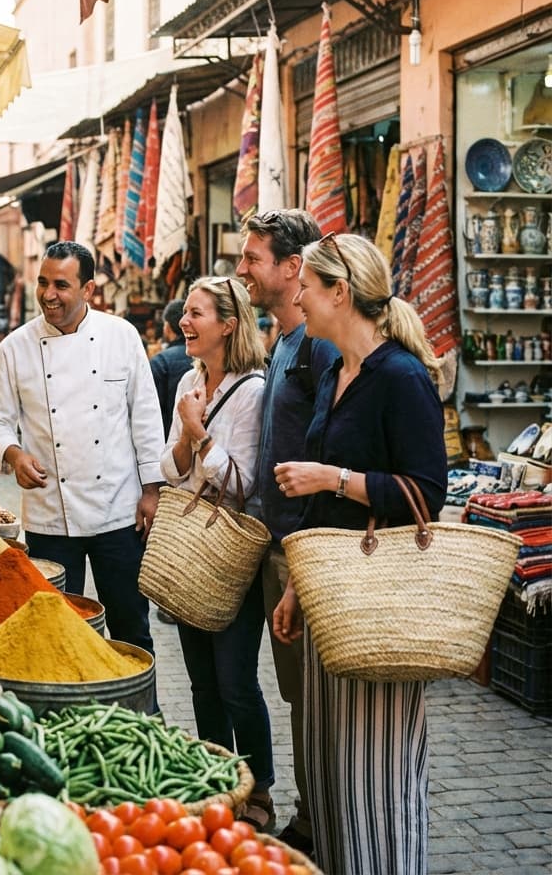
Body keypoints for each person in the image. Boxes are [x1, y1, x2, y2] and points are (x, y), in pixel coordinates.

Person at [272, 232, 447, 875]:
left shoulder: (399, 377)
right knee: (332, 773)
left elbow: (429, 490)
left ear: (339, 293)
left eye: (308, 288)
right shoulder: (336, 373)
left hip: (381, 606)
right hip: (331, 595)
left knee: (377, 780)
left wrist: (332, 477)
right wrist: (296, 585)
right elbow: (320, 512)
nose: (299, 299)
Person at [0, 240, 164, 657]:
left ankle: (141, 714)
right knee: (53, 629)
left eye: (61, 285)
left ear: (89, 290)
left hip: (118, 510)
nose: (48, 294)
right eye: (43, 283)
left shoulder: (122, 336)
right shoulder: (16, 347)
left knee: (131, 626)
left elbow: (146, 418)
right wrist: (14, 454)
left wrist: (152, 491)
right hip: (50, 514)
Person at [235, 208, 339, 858]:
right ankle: (313, 812)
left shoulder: (318, 348)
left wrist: (302, 563)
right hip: (281, 545)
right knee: (300, 695)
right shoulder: (285, 343)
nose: (241, 268)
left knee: (312, 697)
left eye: (252, 258)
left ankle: (321, 820)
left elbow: (333, 449)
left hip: (307, 549)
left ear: (292, 267)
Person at [159, 275, 275, 830]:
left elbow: (243, 482)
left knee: (235, 680)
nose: (185, 321)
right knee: (202, 682)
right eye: (186, 312)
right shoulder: (189, 377)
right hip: (190, 551)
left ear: (229, 325)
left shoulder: (253, 391)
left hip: (229, 551)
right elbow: (169, 468)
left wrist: (199, 433)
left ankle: (262, 788)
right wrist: (186, 436)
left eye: (196, 314)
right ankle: (218, 779)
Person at [149, 298, 191, 438]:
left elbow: (151, 411)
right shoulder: (204, 356)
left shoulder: (161, 361)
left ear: (167, 326)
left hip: (169, 440)